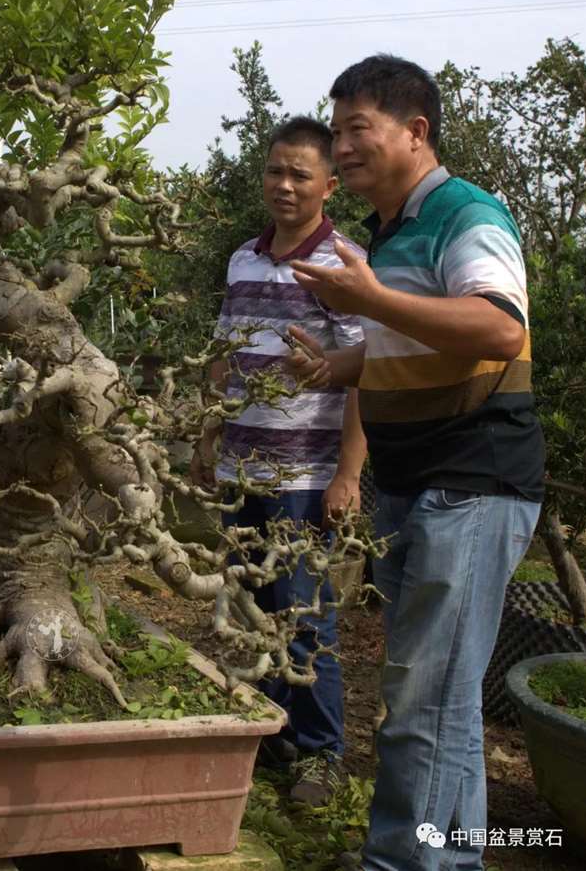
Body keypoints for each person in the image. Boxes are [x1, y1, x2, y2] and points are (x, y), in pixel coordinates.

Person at [285, 56, 544, 870]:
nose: (343, 145)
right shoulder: (395, 234)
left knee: (421, 708)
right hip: (414, 485)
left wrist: (368, 302)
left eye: (357, 127)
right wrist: (339, 364)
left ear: (415, 131)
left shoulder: (467, 214)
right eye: (338, 128)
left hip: (466, 484)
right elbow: (411, 340)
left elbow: (499, 328)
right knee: (446, 706)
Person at [190, 115, 367, 808]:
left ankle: (322, 754)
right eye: (275, 171)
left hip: (303, 477)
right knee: (254, 606)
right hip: (241, 469)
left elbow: (366, 372)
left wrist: (348, 474)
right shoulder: (242, 258)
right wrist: (207, 439)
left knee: (304, 614)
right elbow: (222, 355)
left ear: (328, 183)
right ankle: (277, 734)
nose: (285, 185)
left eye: (300, 174)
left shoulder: (341, 264)